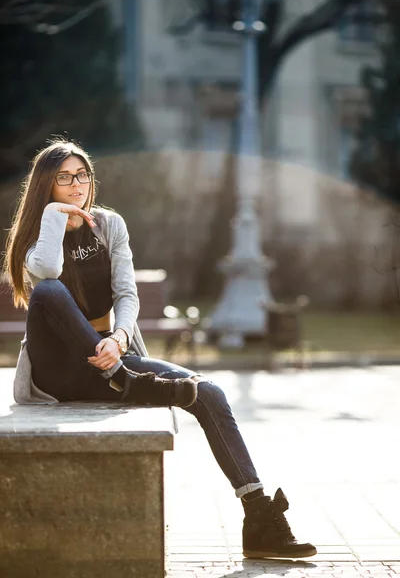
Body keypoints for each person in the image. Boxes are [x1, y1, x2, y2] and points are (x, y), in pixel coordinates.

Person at [3, 138, 317, 560]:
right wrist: (52, 216)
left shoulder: (109, 225)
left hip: (114, 362)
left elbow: (127, 295)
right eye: (64, 178)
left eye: (82, 175)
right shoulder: (39, 235)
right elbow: (46, 274)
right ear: (47, 185)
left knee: (209, 393)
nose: (77, 184)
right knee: (50, 292)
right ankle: (122, 380)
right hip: (57, 371)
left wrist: (117, 340)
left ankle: (259, 516)